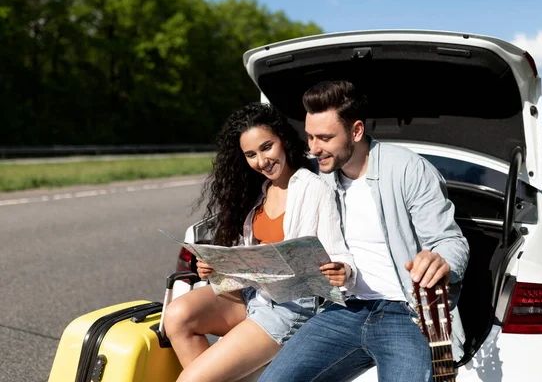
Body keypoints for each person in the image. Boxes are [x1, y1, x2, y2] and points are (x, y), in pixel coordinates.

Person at [259, 80, 470, 382]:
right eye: (309, 137)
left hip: (407, 315)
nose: (314, 148)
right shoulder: (321, 178)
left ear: (356, 131)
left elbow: (450, 241)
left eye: (324, 138)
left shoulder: (408, 170)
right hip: (345, 310)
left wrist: (441, 261)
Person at [163, 102, 357, 382]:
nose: (261, 161)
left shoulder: (314, 188)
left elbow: (339, 252)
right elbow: (250, 261)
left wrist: (342, 269)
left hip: (290, 305)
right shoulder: (260, 193)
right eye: (251, 154)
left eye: (267, 147)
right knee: (177, 315)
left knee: (192, 380)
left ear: (283, 140)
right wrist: (215, 268)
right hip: (251, 293)